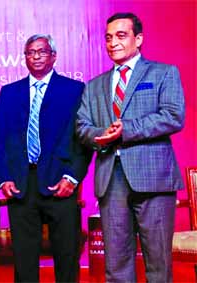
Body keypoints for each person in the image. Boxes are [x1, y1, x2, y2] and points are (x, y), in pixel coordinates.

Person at [76, 12, 185, 282]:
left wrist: (127, 129)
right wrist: (101, 135)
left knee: (158, 263)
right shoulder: (94, 85)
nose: (113, 42)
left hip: (154, 178)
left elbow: (173, 115)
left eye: (121, 36)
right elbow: (82, 126)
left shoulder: (164, 73)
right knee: (116, 265)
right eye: (108, 37)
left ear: (139, 39)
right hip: (110, 179)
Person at [0, 34, 90, 282]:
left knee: (66, 256)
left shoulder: (74, 90)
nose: (35, 56)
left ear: (54, 56)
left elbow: (83, 140)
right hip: (21, 185)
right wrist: (3, 178)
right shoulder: (9, 92)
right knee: (24, 259)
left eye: (42, 51)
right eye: (30, 52)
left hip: (61, 184)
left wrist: (72, 177)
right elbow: (0, 138)